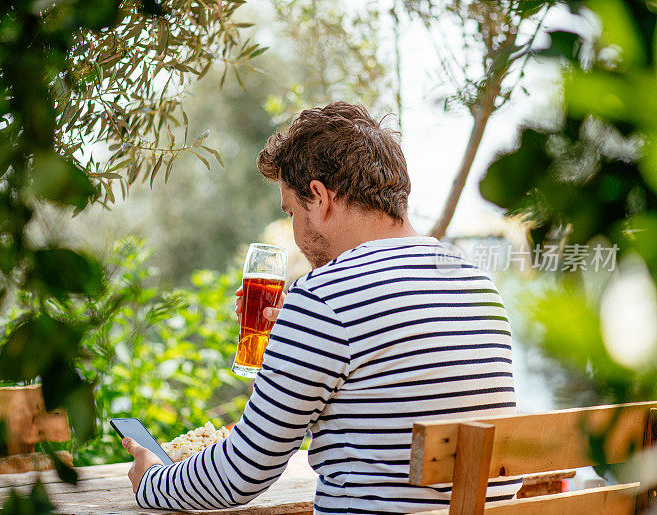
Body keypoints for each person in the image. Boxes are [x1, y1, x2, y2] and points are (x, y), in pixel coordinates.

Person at [122, 102, 520, 513]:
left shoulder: (325, 295)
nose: (294, 230)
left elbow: (241, 472)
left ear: (318, 197)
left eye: (291, 211)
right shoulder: (478, 285)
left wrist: (152, 478)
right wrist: (292, 344)